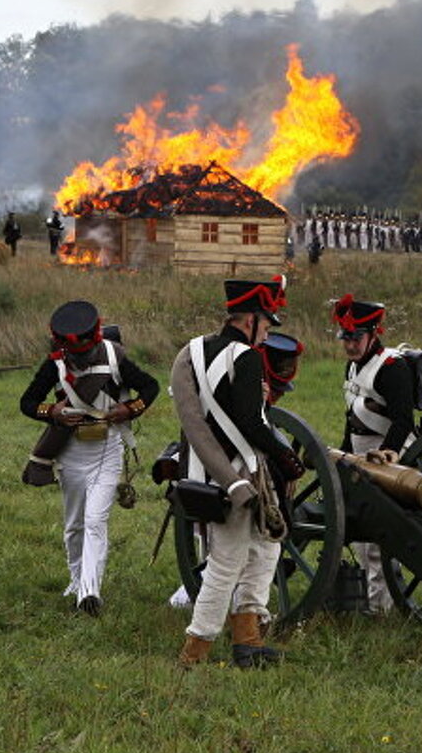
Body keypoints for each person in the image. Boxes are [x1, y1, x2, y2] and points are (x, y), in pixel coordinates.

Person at [171, 277, 305, 667]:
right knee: (227, 561)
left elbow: (195, 416)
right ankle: (194, 651)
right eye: (265, 323)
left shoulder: (192, 351)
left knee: (265, 547)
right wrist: (287, 457)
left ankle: (248, 639)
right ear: (250, 319)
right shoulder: (245, 357)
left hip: (203, 471)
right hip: (238, 476)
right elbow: (251, 422)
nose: (267, 331)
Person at [19, 300, 159, 616]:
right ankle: (76, 578)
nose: (79, 360)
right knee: (74, 525)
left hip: (107, 450)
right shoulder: (54, 363)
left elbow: (150, 387)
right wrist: (52, 412)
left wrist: (128, 409)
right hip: (70, 453)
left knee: (96, 521)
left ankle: (88, 593)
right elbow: (27, 402)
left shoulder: (114, 356)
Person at [332, 293, 417, 616]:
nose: (350, 345)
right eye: (346, 338)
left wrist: (388, 455)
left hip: (388, 454)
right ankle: (371, 598)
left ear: (373, 334)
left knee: (379, 535)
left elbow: (403, 420)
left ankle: (382, 606)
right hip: (360, 452)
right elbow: (351, 415)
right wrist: (343, 455)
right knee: (361, 536)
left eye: (355, 338)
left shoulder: (392, 369)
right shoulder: (352, 367)